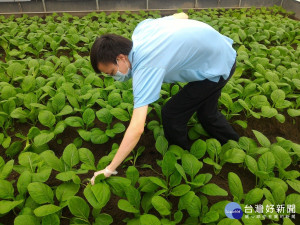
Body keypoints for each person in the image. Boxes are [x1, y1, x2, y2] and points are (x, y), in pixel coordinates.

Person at [89, 12, 240, 183]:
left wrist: (109, 169)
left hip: (217, 67)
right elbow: (183, 15)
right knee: (207, 112)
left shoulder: (146, 65)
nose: (114, 77)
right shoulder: (142, 30)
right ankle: (237, 145)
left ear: (121, 58)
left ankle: (184, 158)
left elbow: (137, 128)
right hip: (221, 52)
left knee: (172, 113)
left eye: (111, 72)